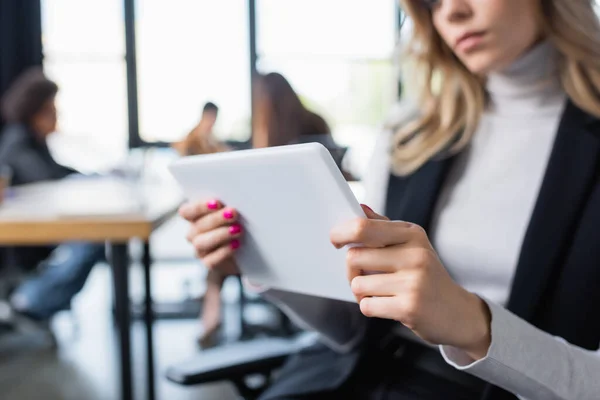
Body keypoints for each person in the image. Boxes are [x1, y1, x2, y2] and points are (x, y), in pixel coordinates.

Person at [179, 0, 600, 399]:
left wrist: (475, 327)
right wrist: (264, 260)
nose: (452, 11)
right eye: (432, 1)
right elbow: (354, 328)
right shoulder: (411, 134)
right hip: (349, 376)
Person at [194, 72, 346, 348]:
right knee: (227, 238)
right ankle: (213, 310)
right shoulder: (315, 121)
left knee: (228, 240)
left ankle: (210, 313)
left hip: (296, 229)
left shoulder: (270, 133)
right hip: (316, 224)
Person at [0, 67, 105, 322]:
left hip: (42, 228)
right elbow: (45, 179)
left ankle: (39, 301)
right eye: (51, 108)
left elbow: (57, 170)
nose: (57, 114)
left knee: (97, 241)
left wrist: (92, 176)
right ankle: (28, 301)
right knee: (90, 241)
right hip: (25, 238)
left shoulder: (36, 140)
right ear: (36, 110)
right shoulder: (18, 140)